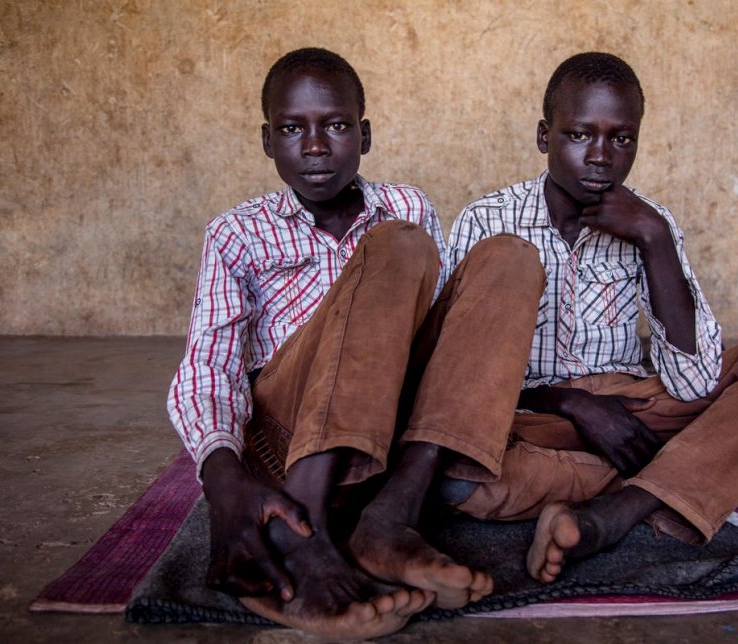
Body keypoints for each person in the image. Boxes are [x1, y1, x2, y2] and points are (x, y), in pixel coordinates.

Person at [167, 47, 546, 638]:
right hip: (287, 447)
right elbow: (208, 364)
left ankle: (393, 514)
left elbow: (442, 344)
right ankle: (303, 530)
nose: (315, 146)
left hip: (385, 444)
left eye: (337, 126)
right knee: (398, 244)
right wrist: (222, 477)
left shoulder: (408, 206)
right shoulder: (236, 233)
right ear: (268, 141)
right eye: (293, 128)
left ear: (363, 135)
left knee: (512, 257)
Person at [445, 52, 738, 585]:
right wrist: (572, 402)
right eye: (580, 135)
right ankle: (702, 469)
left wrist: (654, 241)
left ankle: (617, 509)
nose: (601, 157)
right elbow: (450, 376)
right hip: (529, 416)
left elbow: (692, 380)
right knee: (454, 477)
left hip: (638, 408)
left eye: (622, 139)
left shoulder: (650, 222)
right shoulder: (486, 219)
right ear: (545, 137)